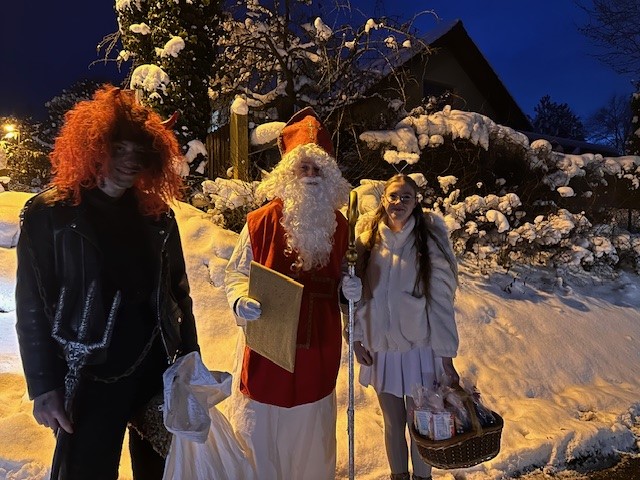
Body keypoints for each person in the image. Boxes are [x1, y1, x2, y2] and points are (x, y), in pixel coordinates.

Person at [15, 84, 199, 480]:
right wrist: (44, 386)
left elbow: (178, 293)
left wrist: (190, 360)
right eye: (118, 149)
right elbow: (31, 307)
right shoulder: (50, 215)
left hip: (154, 372)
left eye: (138, 151)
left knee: (163, 474)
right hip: (90, 378)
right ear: (94, 149)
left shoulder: (157, 216)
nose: (130, 161)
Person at [224, 107, 361, 479]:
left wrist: (350, 290)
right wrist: (239, 299)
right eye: (304, 168)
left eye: (318, 169)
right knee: (262, 437)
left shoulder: (340, 226)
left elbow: (346, 276)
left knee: (310, 439)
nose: (311, 176)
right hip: (268, 346)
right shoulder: (260, 222)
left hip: (319, 350)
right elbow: (236, 273)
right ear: (289, 172)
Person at [352, 174, 460, 480]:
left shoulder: (428, 241)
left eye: (406, 197)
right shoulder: (367, 241)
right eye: (393, 196)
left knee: (420, 423)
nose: (398, 203)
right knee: (392, 423)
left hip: (418, 350)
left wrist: (446, 356)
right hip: (381, 350)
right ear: (383, 199)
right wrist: (356, 339)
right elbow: (357, 297)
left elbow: (440, 302)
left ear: (416, 202)